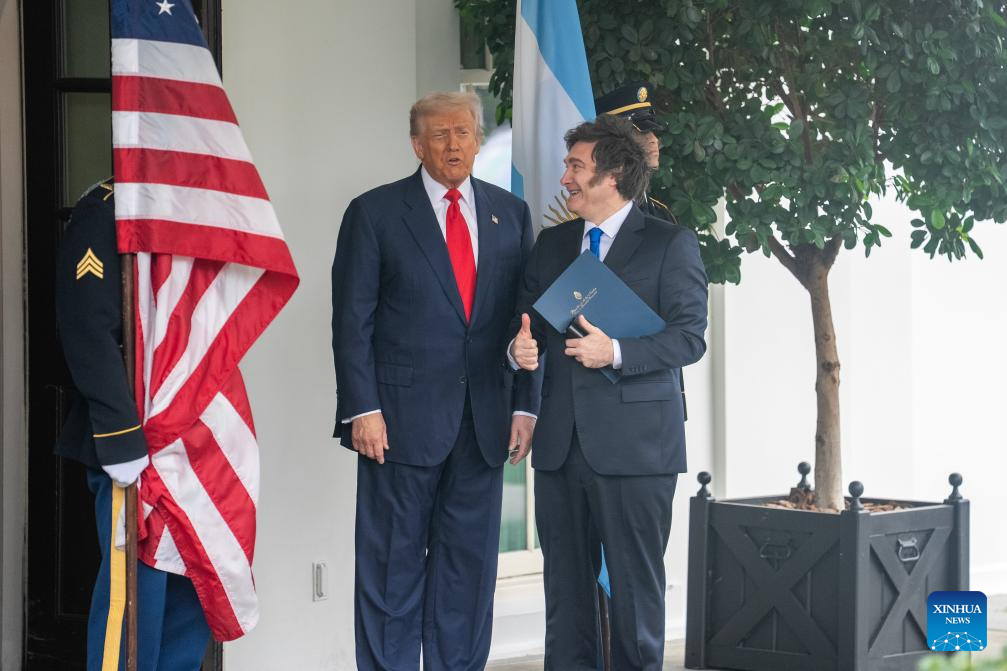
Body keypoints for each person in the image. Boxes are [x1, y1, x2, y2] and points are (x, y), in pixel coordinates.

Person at [331, 91, 539, 670]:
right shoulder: (374, 213)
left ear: (478, 139)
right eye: (440, 135)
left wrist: (526, 407)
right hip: (396, 426)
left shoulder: (510, 213)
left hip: (485, 423)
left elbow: (526, 319)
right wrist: (362, 409)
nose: (454, 145)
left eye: (464, 133)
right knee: (391, 572)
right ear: (417, 145)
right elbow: (351, 322)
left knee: (467, 575)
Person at [508, 115, 708, 670]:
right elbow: (526, 327)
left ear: (614, 172)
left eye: (576, 166)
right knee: (565, 598)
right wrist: (518, 350)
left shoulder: (669, 243)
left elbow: (689, 338)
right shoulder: (552, 244)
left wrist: (615, 351)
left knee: (634, 596)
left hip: (637, 450)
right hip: (560, 448)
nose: (565, 178)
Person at [54, 178, 211, 671]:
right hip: (133, 433)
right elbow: (87, 326)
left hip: (194, 434)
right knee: (137, 594)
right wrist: (121, 437)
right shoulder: (107, 208)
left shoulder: (201, 204)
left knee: (193, 588)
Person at [594, 81, 676, 222]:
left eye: (652, 131)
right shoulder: (591, 212)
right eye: (640, 132)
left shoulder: (662, 214)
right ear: (613, 141)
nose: (654, 139)